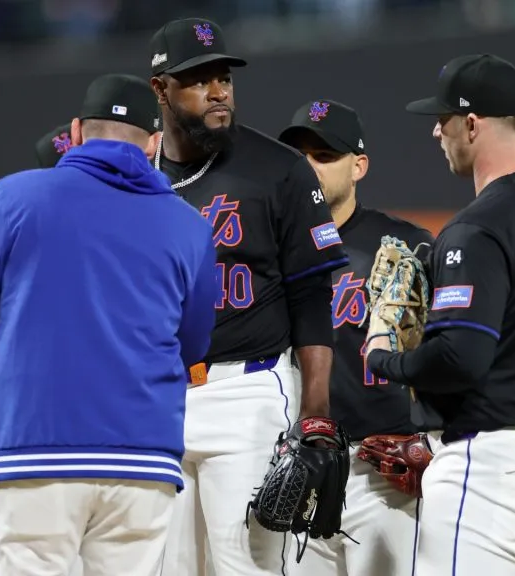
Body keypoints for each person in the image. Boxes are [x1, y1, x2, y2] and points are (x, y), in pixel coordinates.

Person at [0, 73, 217, 576]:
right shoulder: (189, 225)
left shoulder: (16, 197)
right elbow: (194, 344)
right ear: (154, 143)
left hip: (37, 450)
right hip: (143, 460)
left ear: (77, 132)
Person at [366, 54, 515, 576]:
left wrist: (385, 360)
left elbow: (460, 358)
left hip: (495, 467)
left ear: (471, 124)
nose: (436, 133)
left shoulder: (478, 228)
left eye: (442, 120)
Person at [148, 18, 350, 575]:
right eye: (199, 78)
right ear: (160, 88)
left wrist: (315, 414)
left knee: (247, 567)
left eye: (224, 77)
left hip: (246, 393)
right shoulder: (136, 173)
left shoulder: (278, 169)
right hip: (156, 398)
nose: (219, 91)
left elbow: (312, 296)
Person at [278, 99, 441, 575]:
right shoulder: (269, 249)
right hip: (300, 465)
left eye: (325, 155)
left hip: (383, 469)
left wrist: (435, 438)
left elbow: (447, 355)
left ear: (359, 166)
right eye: (300, 155)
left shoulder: (407, 246)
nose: (309, 166)